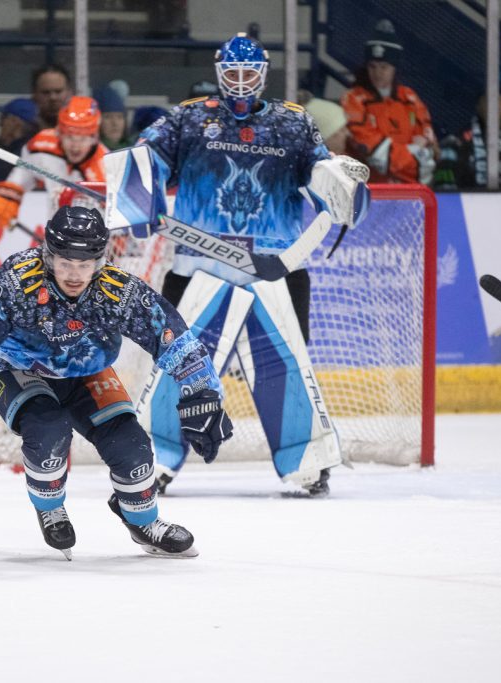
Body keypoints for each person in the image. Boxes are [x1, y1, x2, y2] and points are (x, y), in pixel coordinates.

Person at [104, 32, 370, 497]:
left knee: (285, 367)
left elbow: (321, 177)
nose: (242, 82)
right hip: (198, 267)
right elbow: (147, 155)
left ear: (264, 74)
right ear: (219, 71)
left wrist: (340, 187)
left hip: (274, 268)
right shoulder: (190, 117)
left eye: (251, 73)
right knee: (176, 366)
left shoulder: (294, 123)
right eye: (233, 72)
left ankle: (307, 462)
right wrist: (136, 192)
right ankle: (153, 457)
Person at [0, 206, 232, 559]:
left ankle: (143, 522)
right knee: (49, 430)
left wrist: (203, 392)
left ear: (99, 261)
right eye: (65, 263)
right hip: (14, 369)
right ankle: (50, 508)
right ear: (48, 256)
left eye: (84, 264)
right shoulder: (19, 279)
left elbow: (172, 336)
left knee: (132, 445)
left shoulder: (115, 290)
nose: (74, 274)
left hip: (86, 373)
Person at [0, 95, 106, 230]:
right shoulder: (42, 146)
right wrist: (9, 194)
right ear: (59, 133)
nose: (75, 146)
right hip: (55, 230)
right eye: (70, 137)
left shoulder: (106, 166)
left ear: (94, 138)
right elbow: (26, 169)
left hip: (92, 239)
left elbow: (115, 216)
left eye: (82, 139)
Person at [341, 20, 438, 184]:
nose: (377, 73)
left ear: (395, 68)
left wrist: (402, 155)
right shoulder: (353, 99)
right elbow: (375, 156)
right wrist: (413, 152)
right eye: (372, 66)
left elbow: (431, 149)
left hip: (411, 191)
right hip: (368, 190)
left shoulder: (410, 98)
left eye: (384, 67)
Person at [434, 90, 501, 190]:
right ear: (478, 106)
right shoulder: (455, 143)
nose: (492, 103)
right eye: (486, 98)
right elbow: (444, 191)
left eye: (498, 98)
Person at [31, 63, 73, 131]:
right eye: (46, 92)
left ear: (70, 92)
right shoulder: (24, 134)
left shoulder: (85, 134)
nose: (53, 98)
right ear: (34, 95)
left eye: (58, 91)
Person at [93, 84, 131, 150]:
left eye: (120, 117)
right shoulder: (91, 152)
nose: (115, 123)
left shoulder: (134, 149)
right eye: (108, 117)